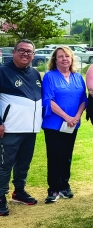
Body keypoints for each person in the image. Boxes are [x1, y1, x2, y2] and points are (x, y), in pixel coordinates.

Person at [0, 39, 43, 215]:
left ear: (33, 55)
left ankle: (19, 191)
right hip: (10, 128)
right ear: (14, 52)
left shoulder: (35, 73)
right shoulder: (2, 71)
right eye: (22, 51)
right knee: (4, 165)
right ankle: (0, 196)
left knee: (24, 163)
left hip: (30, 129)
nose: (26, 54)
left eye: (29, 52)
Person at [42, 46, 87, 204]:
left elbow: (83, 100)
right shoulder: (49, 76)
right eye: (60, 56)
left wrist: (76, 117)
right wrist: (66, 116)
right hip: (54, 124)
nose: (64, 59)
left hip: (72, 124)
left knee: (67, 156)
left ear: (72, 58)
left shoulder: (78, 77)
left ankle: (64, 185)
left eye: (67, 56)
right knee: (54, 156)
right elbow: (48, 100)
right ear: (55, 59)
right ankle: (53, 189)